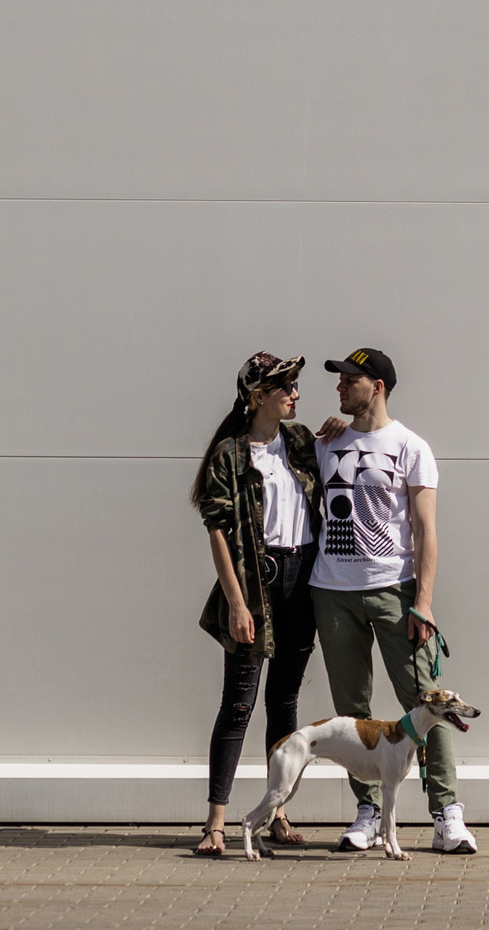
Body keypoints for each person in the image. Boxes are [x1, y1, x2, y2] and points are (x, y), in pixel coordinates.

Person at [309, 346, 476, 854]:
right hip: (332, 591)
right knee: (351, 712)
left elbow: (426, 531)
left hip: (395, 591)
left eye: (350, 380)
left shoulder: (410, 447)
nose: (340, 387)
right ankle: (368, 812)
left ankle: (446, 815)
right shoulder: (326, 443)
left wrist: (423, 601)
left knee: (429, 703)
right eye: (339, 380)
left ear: (377, 386)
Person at [190, 352, 323, 857]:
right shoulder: (230, 454)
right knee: (239, 704)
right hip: (254, 585)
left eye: (294, 385)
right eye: (285, 387)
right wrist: (236, 602)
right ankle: (215, 822)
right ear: (258, 396)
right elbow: (218, 532)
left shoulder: (301, 441)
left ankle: (276, 813)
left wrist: (337, 427)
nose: (295, 393)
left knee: (284, 703)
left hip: (302, 580)